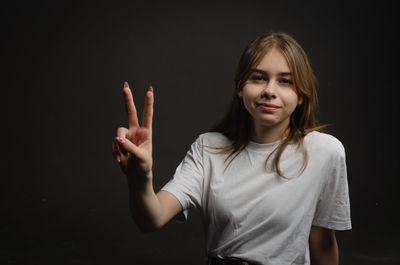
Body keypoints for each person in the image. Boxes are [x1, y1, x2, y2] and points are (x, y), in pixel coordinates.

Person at [111, 32, 351, 265]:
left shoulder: (325, 151)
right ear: (240, 87)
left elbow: (322, 244)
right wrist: (139, 177)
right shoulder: (209, 148)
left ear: (301, 96)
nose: (269, 90)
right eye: (258, 77)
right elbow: (151, 218)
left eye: (285, 81)